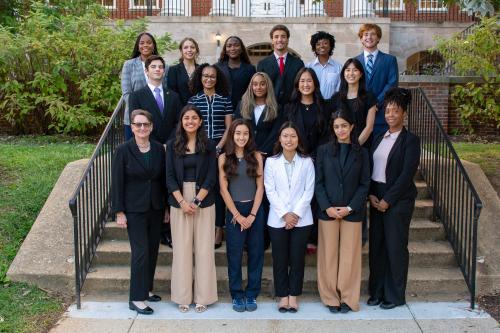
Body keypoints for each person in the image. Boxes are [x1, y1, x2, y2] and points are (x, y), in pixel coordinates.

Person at [367, 87, 421, 310]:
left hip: (398, 200)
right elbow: (370, 167)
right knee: (377, 247)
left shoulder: (410, 140)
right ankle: (377, 292)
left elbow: (407, 174)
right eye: (387, 111)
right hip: (376, 196)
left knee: (395, 248)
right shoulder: (380, 137)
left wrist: (388, 199)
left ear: (404, 114)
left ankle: (394, 295)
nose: (390, 115)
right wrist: (371, 194)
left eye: (395, 111)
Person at [111, 109, 167, 315]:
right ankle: (136, 297)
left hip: (155, 207)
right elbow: (117, 182)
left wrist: (167, 207)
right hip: (133, 210)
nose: (142, 128)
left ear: (151, 127)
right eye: (138, 124)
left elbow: (162, 180)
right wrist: (119, 211)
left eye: (146, 124)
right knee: (141, 252)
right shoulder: (123, 150)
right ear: (132, 127)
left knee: (152, 250)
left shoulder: (159, 149)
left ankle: (147, 289)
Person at [315, 109, 370, 314]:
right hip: (327, 211)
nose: (341, 130)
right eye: (337, 126)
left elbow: (365, 184)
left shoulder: (362, 153)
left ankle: (347, 297)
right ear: (333, 128)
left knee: (350, 256)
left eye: (344, 126)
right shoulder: (323, 151)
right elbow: (318, 183)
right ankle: (330, 297)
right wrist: (327, 207)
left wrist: (349, 207)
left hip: (352, 212)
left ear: (352, 127)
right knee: (328, 255)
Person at [166, 105, 218, 313]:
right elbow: (169, 177)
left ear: (200, 121)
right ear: (181, 121)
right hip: (179, 199)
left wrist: (196, 201)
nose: (190, 121)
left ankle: (203, 297)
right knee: (182, 250)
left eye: (194, 118)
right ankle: (182, 296)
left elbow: (211, 177)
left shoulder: (210, 145)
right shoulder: (172, 146)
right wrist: (182, 202)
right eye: (186, 118)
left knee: (205, 250)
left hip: (203, 199)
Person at [264, 122, 315, 313]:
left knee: (297, 259)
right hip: (277, 219)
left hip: (302, 219)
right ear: (279, 138)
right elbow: (270, 190)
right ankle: (282, 295)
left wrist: (295, 214)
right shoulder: (271, 162)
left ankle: (293, 296)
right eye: (285, 136)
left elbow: (309, 190)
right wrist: (285, 214)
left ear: (298, 139)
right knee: (280, 259)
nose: (289, 140)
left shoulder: (307, 161)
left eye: (293, 136)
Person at [219, 119, 265, 312]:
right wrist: (237, 215)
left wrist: (253, 214)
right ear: (232, 135)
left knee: (256, 254)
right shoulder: (223, 158)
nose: (241, 137)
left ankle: (252, 293)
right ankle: (237, 294)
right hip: (234, 211)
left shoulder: (256, 156)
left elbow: (260, 187)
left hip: (255, 210)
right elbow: (223, 190)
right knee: (234, 255)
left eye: (245, 133)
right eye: (238, 133)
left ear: (250, 135)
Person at [188, 63, 233, 248]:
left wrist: (218, 147)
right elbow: (190, 125)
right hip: (200, 148)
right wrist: (204, 147)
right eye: (205, 76)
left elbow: (229, 127)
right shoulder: (194, 100)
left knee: (220, 188)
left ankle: (218, 228)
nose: (209, 79)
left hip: (221, 148)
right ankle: (201, 227)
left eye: (212, 76)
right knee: (203, 186)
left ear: (217, 78)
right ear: (200, 77)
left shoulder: (225, 100)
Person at [355, 23, 398, 137]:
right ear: (361, 38)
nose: (369, 37)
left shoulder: (389, 60)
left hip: (381, 115)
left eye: (373, 34)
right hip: (360, 113)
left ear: (378, 38)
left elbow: (392, 84)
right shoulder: (354, 62)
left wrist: (375, 104)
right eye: (366, 34)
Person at [129, 55, 182, 145]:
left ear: (164, 72)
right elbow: (136, 123)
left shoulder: (174, 96)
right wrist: (154, 144)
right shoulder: (136, 96)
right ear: (146, 71)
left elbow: (179, 122)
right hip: (147, 145)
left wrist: (169, 142)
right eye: (153, 67)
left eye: (160, 67)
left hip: (171, 146)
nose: (157, 69)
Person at [121, 32, 164, 140]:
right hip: (135, 118)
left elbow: (163, 92)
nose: (145, 45)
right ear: (138, 46)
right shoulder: (129, 65)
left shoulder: (163, 66)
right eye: (142, 43)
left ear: (153, 45)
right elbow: (126, 94)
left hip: (157, 118)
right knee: (134, 153)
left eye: (149, 42)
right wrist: (141, 113)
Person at [283, 68, 329, 159]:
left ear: (315, 83)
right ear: (297, 84)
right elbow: (285, 134)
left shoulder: (324, 107)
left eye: (309, 81)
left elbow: (326, 135)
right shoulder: (289, 108)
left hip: (319, 158)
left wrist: (314, 156)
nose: (305, 84)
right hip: (294, 157)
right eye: (302, 81)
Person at [331, 58, 377, 149]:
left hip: (362, 147)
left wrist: (355, 147)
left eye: (355, 70)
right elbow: (333, 125)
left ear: (360, 74)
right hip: (340, 147)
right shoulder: (336, 98)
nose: (351, 73)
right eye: (347, 70)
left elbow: (369, 127)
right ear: (343, 74)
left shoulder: (369, 97)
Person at [257, 25, 304, 106]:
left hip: (292, 108)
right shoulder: (262, 64)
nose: (280, 40)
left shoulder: (298, 63)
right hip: (269, 108)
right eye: (276, 37)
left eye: (283, 36)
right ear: (272, 40)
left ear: (287, 40)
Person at [234, 72, 280, 156]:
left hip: (267, 154)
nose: (258, 87)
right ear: (251, 87)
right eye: (255, 84)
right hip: (245, 153)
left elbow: (275, 133)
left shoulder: (276, 108)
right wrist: (247, 150)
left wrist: (262, 152)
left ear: (268, 86)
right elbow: (236, 129)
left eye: (262, 84)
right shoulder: (241, 105)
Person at [215, 36, 256, 111]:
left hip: (243, 110)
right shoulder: (217, 68)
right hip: (221, 109)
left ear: (241, 49)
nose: (232, 48)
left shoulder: (250, 69)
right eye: (229, 46)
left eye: (236, 45)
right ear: (225, 50)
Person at [306, 31, 342, 100]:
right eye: (318, 44)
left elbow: (339, 89)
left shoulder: (338, 67)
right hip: (313, 105)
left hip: (332, 106)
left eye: (325, 43)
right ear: (314, 47)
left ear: (330, 46)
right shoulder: (308, 67)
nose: (322, 46)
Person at [167, 37, 200, 106]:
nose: (189, 50)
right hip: (181, 110)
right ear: (181, 51)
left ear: (196, 50)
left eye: (192, 47)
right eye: (186, 47)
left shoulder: (201, 69)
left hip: (200, 110)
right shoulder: (173, 70)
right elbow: (172, 94)